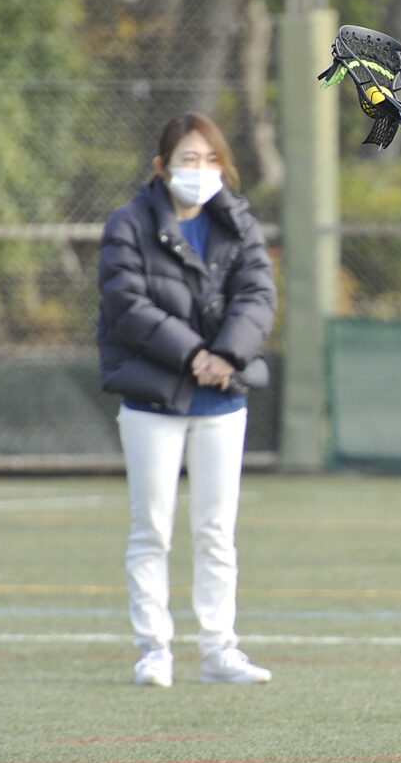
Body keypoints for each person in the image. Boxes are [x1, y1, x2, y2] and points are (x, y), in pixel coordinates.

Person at [97, 113, 277, 688]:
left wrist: (225, 356)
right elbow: (127, 303)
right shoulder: (128, 223)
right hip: (152, 401)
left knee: (216, 531)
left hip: (222, 402)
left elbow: (258, 296)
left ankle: (220, 649)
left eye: (211, 159)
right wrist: (194, 355)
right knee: (151, 528)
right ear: (161, 166)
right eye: (188, 160)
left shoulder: (239, 222)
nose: (201, 170)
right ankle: (154, 649)